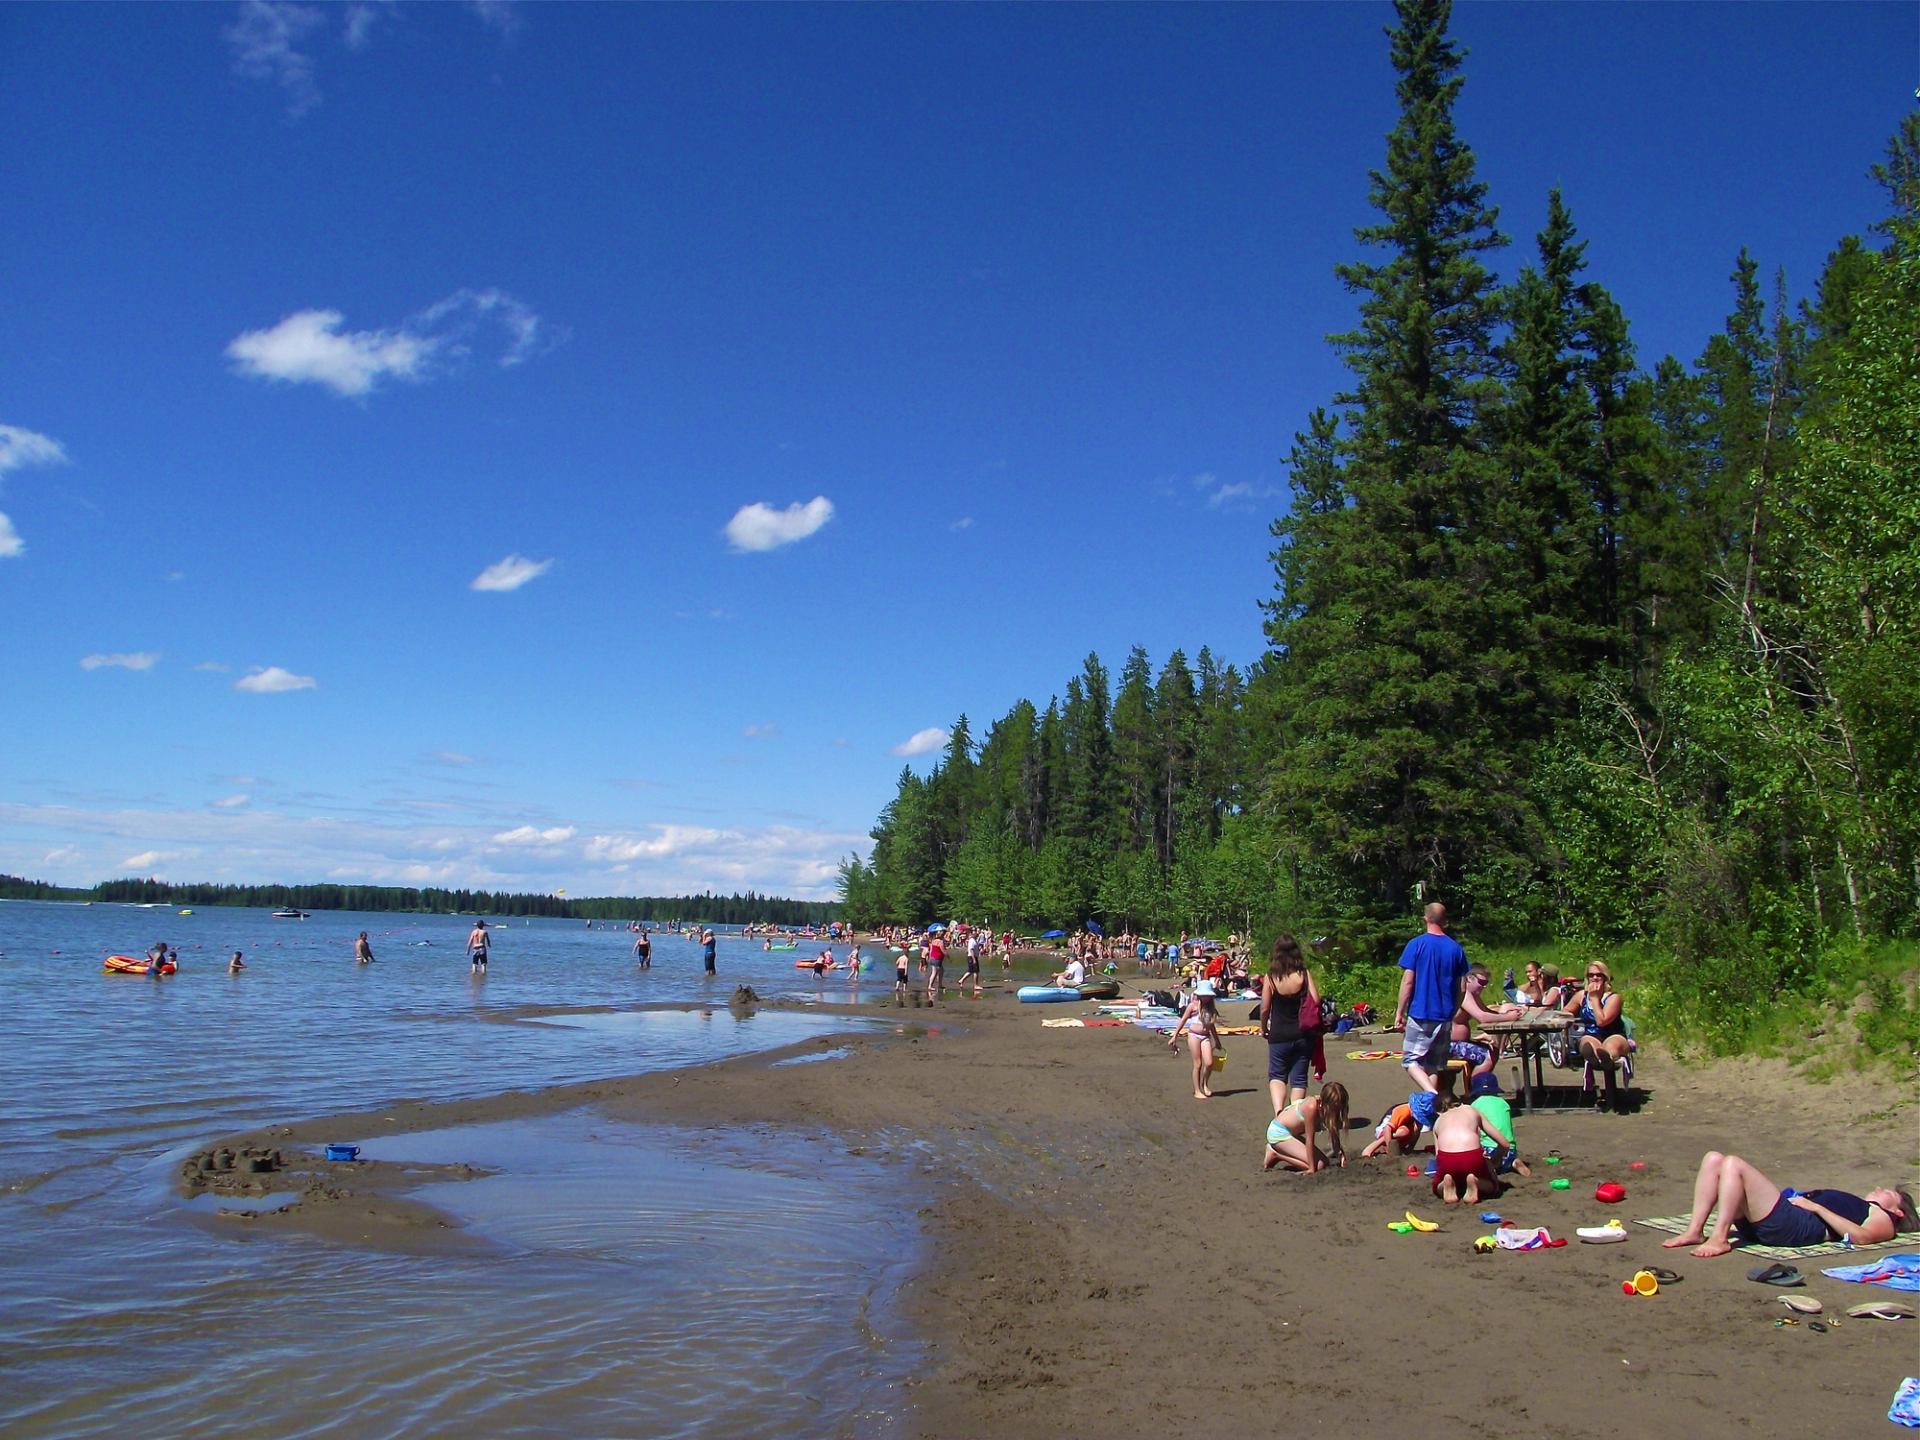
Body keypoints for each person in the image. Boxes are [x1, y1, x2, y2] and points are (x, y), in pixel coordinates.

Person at [1660, 1153, 1916, 1258]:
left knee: (1733, 1165)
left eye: (1888, 1193)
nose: (1880, 1189)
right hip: (1785, 1217)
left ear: (1898, 1211)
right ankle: (1695, 1230)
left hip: (1797, 1225)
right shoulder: (1862, 1206)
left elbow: (1862, 1237)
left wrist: (1816, 1208)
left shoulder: (1883, 1218)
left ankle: (1720, 1237)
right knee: (1714, 1158)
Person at [1393, 902, 1469, 1093]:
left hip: (1421, 1013)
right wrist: (1453, 1010)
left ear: (1425, 918)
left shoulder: (1416, 944)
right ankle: (1430, 1109)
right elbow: (1462, 986)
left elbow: (1408, 982)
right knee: (1433, 1065)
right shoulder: (1455, 949)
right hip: (1444, 1015)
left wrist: (1400, 1012)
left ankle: (1432, 1095)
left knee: (1410, 1060)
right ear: (1445, 921)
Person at [1259, 934, 1319, 1116]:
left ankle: (1279, 1112)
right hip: (1303, 1033)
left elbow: (1264, 1008)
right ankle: (1296, 1115)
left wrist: (1263, 1027)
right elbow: (1316, 1000)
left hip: (1279, 1033)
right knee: (1299, 1077)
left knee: (1277, 1074)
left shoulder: (1271, 977)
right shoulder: (1303, 974)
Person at [1562, 960, 1630, 1111]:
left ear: (1605, 977)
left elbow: (1602, 1021)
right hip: (1591, 1035)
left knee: (1610, 1046)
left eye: (1598, 975)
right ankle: (1594, 1057)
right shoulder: (1581, 996)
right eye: (1591, 975)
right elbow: (1566, 1011)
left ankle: (1608, 1059)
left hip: (1613, 1033)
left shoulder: (1613, 998)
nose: (1594, 978)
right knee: (1587, 1042)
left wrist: (1594, 999)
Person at [1429, 1086, 1511, 1205]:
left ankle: (1448, 1184)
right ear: (1459, 1101)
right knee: (1493, 1185)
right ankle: (1476, 1182)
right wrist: (1495, 1160)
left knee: (1437, 1186)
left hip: (1447, 1159)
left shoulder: (1438, 1122)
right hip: (1472, 1157)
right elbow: (1504, 1143)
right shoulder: (1471, 1110)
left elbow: (1438, 1156)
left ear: (1438, 1112)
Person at [1262, 1081, 1350, 1174]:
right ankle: (1275, 1154)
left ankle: (1280, 1153)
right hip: (1279, 1132)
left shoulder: (1329, 1108)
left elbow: (1334, 1134)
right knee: (1319, 1166)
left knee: (1324, 1162)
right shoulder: (1311, 1107)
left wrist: (1341, 1156)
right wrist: (1311, 1169)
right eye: (1334, 1107)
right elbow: (1309, 1140)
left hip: (1292, 1134)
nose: (1336, 1110)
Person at [1167, 982, 1222, 1100]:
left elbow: (1211, 1026)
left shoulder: (1211, 1008)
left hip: (1205, 1036)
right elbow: (1183, 1020)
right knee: (1197, 1064)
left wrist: (1217, 1041)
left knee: (1209, 1062)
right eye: (1204, 995)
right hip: (1194, 1036)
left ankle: (1205, 1084)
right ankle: (1197, 1090)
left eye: (1208, 995)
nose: (1206, 998)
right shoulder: (1193, 1006)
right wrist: (1174, 1036)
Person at [1468, 1074, 1530, 1177]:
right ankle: (1513, 1162)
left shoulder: (1475, 1105)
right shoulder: (1503, 1103)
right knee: (1506, 1159)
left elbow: (1476, 1131)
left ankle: (1494, 1166)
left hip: (1491, 1150)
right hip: (1510, 1149)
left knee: (1482, 1166)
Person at [925, 931, 945, 1001]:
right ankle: (930, 986)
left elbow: (931, 950)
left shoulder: (933, 941)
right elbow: (943, 950)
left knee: (941, 970)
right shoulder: (940, 942)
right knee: (935, 972)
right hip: (937, 958)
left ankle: (940, 985)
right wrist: (948, 955)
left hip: (933, 958)